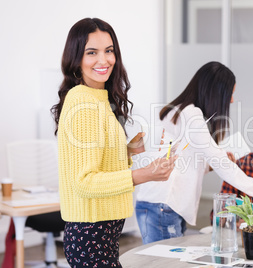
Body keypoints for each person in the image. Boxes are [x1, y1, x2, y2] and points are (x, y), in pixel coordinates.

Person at [51, 18, 176, 267]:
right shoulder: (84, 103)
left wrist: (128, 149)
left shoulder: (100, 99)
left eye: (109, 51)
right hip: (91, 235)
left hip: (102, 233)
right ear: (76, 58)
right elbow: (85, 182)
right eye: (92, 52)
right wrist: (145, 174)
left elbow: (103, 164)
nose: (104, 60)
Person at [135, 61, 253, 244]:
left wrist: (212, 166)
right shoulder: (192, 116)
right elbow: (218, 160)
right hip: (163, 205)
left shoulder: (180, 111)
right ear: (216, 92)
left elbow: (182, 165)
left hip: (161, 204)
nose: (231, 100)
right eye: (230, 94)